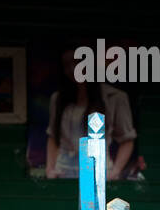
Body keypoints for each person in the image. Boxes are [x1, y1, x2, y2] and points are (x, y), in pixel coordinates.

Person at [45, 47, 136, 181]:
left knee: (91, 202)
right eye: (67, 65)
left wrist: (115, 171)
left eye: (77, 62)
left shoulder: (114, 97)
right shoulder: (58, 99)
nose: (72, 69)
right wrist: (50, 169)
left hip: (98, 172)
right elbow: (53, 136)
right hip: (64, 172)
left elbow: (127, 139)